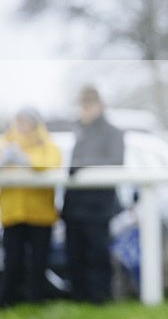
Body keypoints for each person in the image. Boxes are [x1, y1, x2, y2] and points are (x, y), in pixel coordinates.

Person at [61, 86, 125, 303]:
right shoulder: (79, 131)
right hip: (75, 205)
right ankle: (78, 297)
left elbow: (115, 163)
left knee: (97, 254)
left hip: (98, 206)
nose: (85, 110)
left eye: (89, 105)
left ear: (100, 105)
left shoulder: (113, 133)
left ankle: (100, 298)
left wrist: (84, 167)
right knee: (75, 254)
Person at [0, 107, 62, 306]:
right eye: (19, 122)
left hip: (41, 213)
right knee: (12, 260)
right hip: (13, 213)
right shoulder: (5, 144)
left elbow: (50, 164)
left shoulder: (47, 145)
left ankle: (37, 300)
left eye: (26, 122)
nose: (22, 127)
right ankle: (7, 299)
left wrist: (26, 160)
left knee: (39, 261)